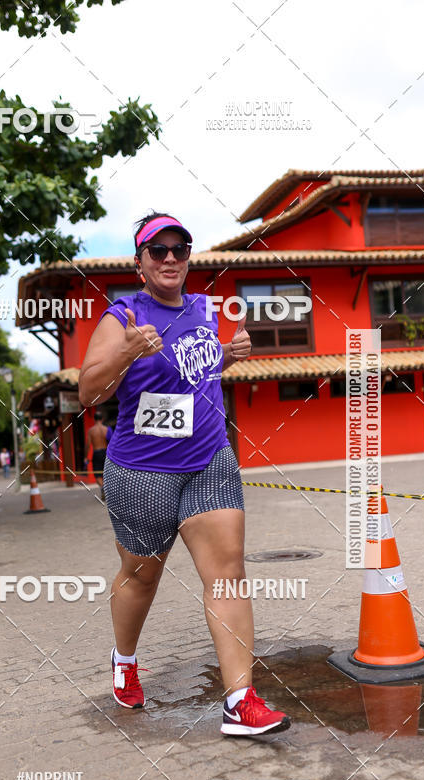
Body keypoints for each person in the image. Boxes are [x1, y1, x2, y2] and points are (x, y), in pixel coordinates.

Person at [78, 211, 291, 738]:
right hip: (142, 470)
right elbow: (89, 393)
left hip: (209, 460)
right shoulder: (120, 316)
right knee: (141, 576)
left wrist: (229, 356)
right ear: (140, 262)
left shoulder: (202, 308)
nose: (171, 258)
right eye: (159, 250)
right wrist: (126, 353)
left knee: (227, 572)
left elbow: (197, 373)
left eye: (180, 248)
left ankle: (240, 701)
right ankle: (124, 659)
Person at [85, 411, 108, 500]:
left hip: (97, 452)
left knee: (97, 474)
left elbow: (87, 445)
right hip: (106, 453)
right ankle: (106, 489)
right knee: (106, 473)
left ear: (94, 419)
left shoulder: (91, 430)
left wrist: (86, 456)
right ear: (102, 419)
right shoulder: (106, 429)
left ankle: (102, 487)